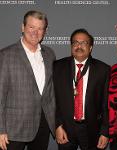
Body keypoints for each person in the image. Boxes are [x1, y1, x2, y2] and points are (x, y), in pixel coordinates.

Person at [0, 10, 55, 150]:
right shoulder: (6, 55)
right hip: (13, 128)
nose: (35, 32)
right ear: (23, 27)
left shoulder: (49, 54)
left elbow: (50, 92)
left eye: (40, 28)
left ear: (45, 31)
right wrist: (1, 129)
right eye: (31, 27)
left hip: (43, 124)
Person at [53, 28, 110, 150]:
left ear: (90, 48)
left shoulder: (103, 70)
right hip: (65, 129)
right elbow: (52, 100)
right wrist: (57, 125)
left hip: (92, 129)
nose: (79, 46)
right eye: (75, 42)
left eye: (84, 43)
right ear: (71, 46)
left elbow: (106, 104)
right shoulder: (57, 67)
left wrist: (105, 132)